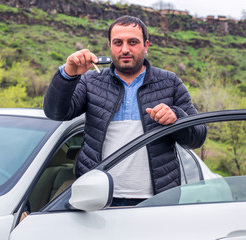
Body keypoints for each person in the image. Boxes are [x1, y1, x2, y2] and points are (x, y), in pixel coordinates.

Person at [43, 15, 207, 206]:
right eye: (118, 42)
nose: (125, 49)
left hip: (157, 201)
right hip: (97, 199)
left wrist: (176, 118)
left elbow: (198, 136)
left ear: (146, 45)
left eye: (133, 42)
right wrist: (68, 74)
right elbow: (56, 113)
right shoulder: (90, 81)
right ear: (110, 45)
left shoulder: (170, 83)